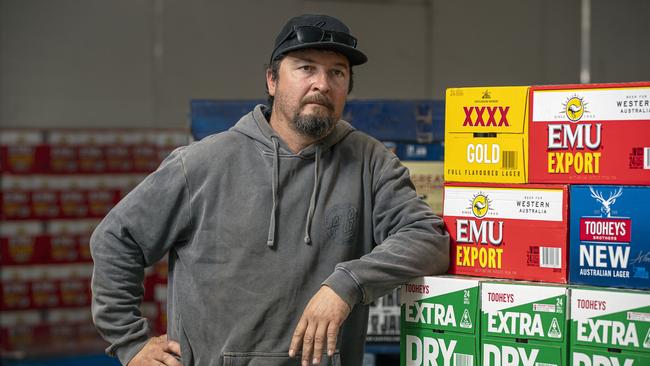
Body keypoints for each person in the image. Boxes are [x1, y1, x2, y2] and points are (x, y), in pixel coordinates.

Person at [90, 13, 449, 366]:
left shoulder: (371, 163)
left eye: (336, 72)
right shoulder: (202, 164)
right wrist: (130, 342)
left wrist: (348, 283)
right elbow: (117, 238)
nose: (322, 83)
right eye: (306, 68)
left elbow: (428, 237)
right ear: (273, 80)